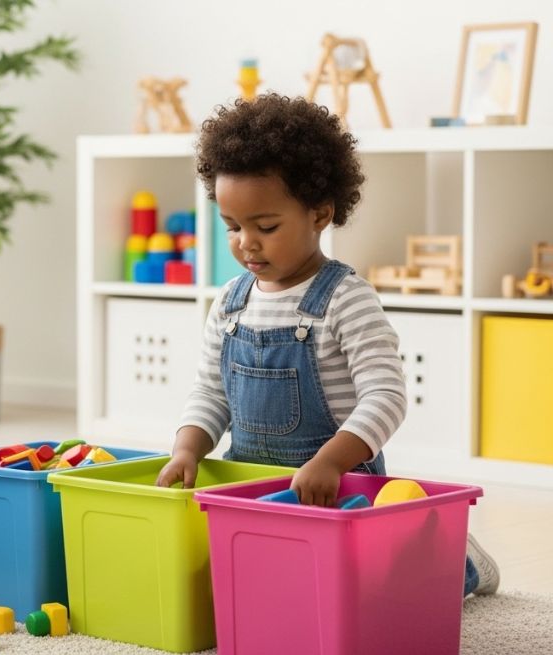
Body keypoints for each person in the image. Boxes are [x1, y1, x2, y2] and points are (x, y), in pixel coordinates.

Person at [154, 93, 498, 598]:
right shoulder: (229, 302)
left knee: (369, 589)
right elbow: (210, 392)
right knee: (245, 588)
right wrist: (188, 447)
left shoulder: (345, 298)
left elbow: (386, 396)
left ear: (319, 213)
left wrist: (332, 461)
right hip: (251, 487)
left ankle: (460, 562)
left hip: (338, 487)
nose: (246, 242)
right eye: (232, 227)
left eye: (265, 226)